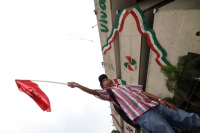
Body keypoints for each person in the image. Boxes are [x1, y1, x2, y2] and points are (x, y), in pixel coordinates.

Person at [67, 74, 200, 133]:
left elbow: (142, 92)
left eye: (107, 78)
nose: (107, 79)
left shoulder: (123, 86)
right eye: (104, 80)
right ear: (103, 87)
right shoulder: (109, 94)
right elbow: (92, 92)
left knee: (186, 117)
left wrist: (159, 99)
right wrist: (77, 85)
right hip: (143, 116)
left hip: (155, 105)